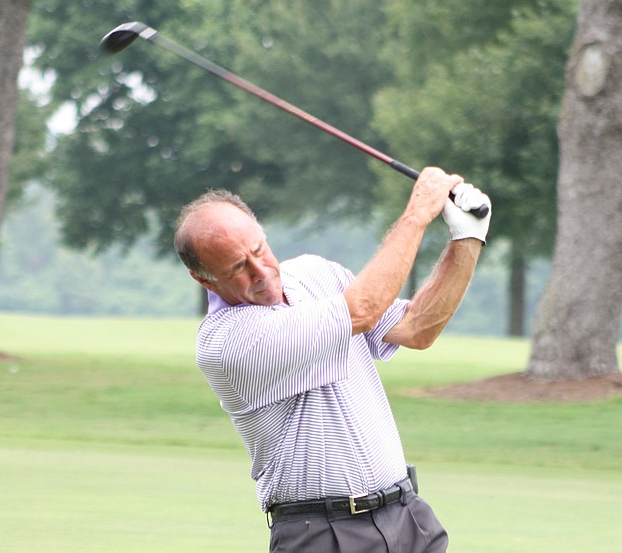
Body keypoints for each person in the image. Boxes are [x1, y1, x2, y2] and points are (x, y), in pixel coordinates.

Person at [173, 167, 491, 553]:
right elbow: (362, 310)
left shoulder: (315, 273)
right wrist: (418, 212)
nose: (261, 272)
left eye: (259, 250)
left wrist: (468, 238)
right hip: (322, 535)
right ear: (204, 279)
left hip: (407, 517)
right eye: (238, 267)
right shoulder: (227, 344)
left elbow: (417, 328)